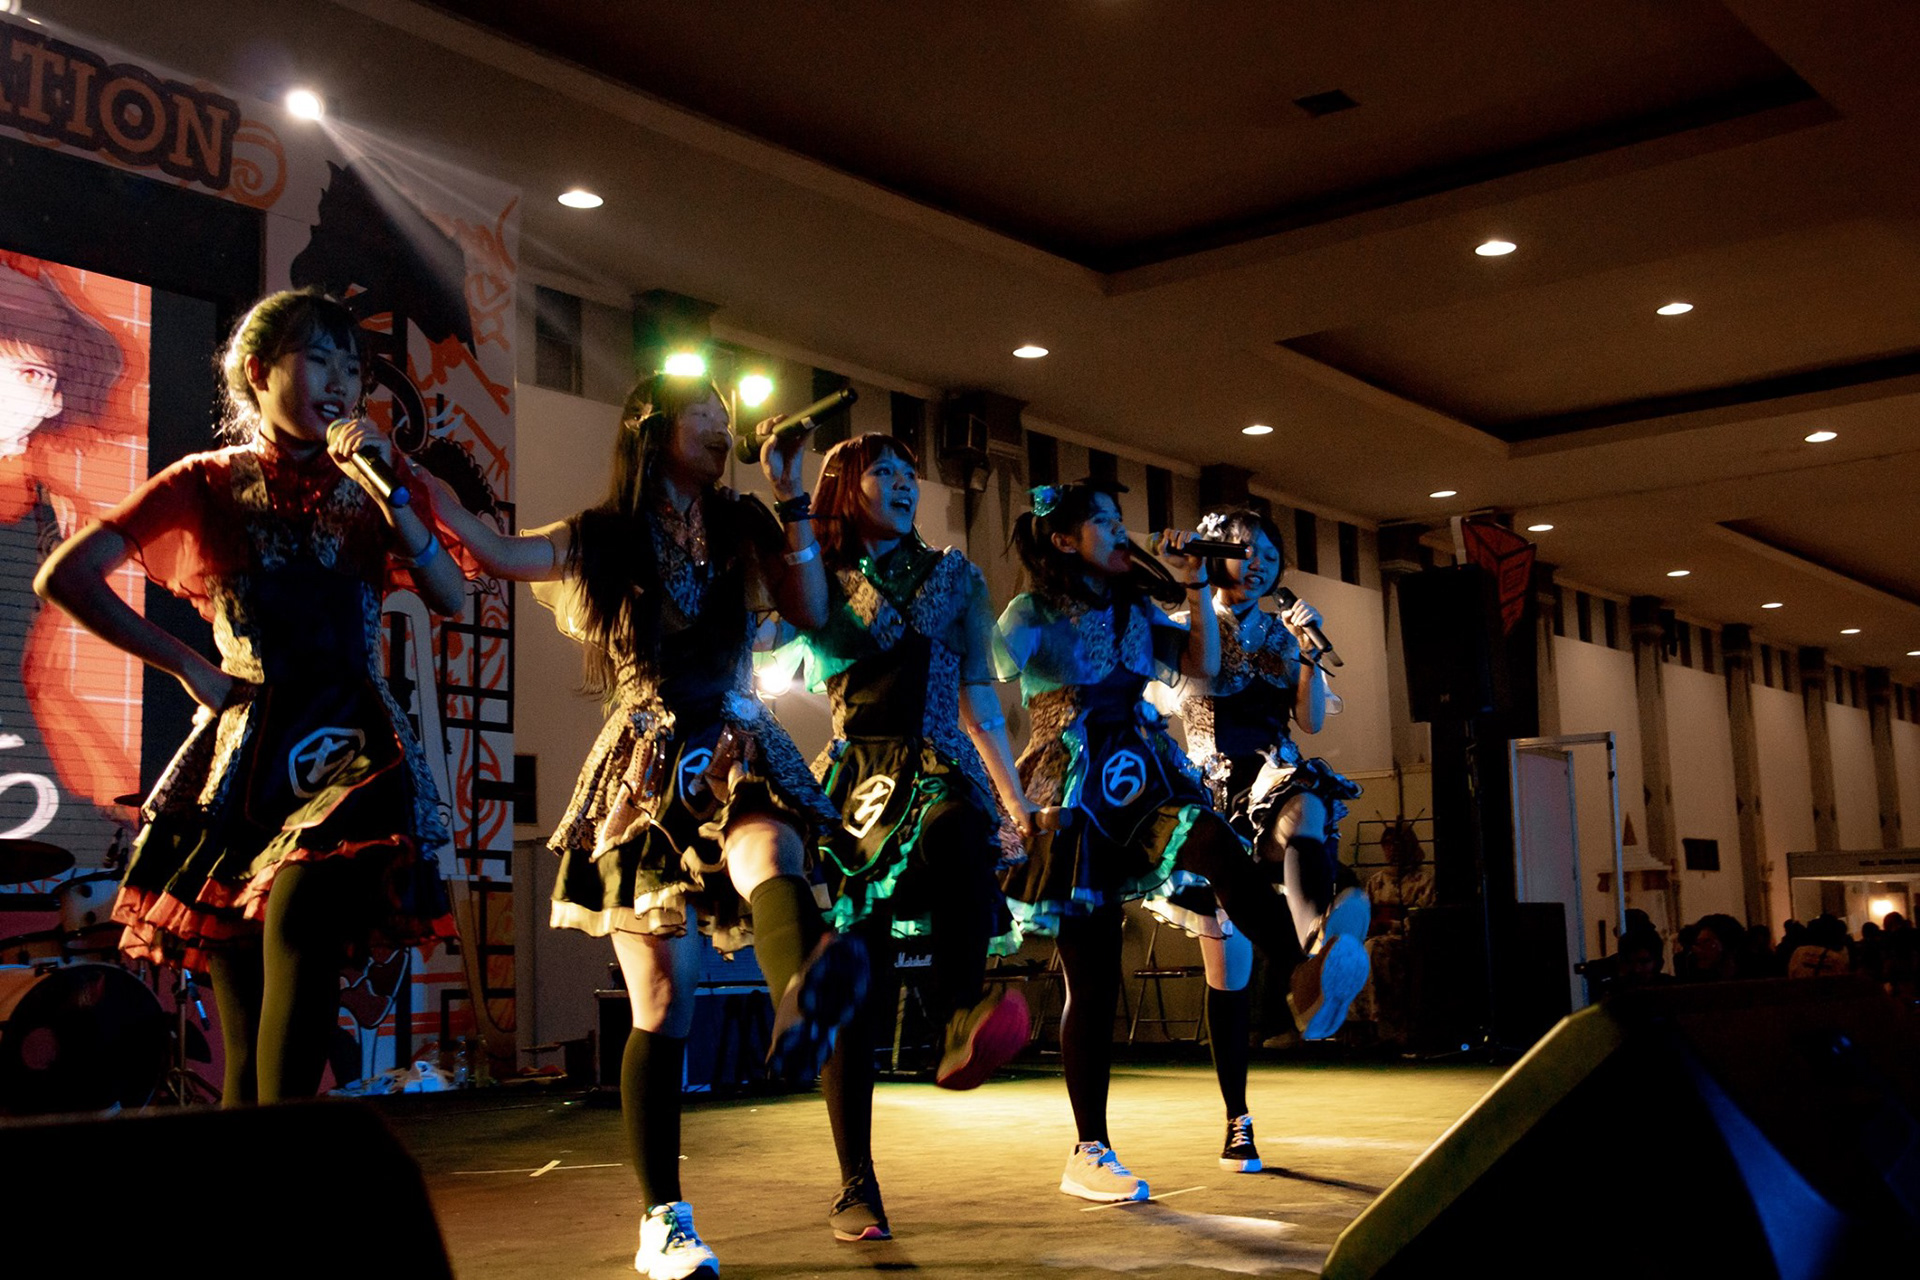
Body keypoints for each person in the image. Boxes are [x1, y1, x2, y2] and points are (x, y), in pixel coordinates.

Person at [422, 369, 864, 1280]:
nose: (722, 424)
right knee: (662, 1002)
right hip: (646, 761)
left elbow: (812, 611)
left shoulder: (746, 519)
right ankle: (663, 1219)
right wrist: (410, 485)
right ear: (650, 427)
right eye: (704, 411)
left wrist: (791, 492)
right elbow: (497, 552)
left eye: (726, 414)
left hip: (738, 737)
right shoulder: (605, 534)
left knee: (770, 843)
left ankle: (801, 1000)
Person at [34, 287, 466, 1104]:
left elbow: (450, 593)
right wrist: (187, 667)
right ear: (260, 372)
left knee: (304, 917)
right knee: (245, 1025)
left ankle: (280, 1159)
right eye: (318, 359)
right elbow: (67, 575)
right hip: (248, 755)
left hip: (352, 750)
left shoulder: (378, 480)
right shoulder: (205, 481)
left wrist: (391, 491)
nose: (340, 382)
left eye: (352, 367)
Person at [996, 479, 1309, 1202]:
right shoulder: (1029, 613)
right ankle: (1090, 1151)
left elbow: (1205, 667)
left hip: (1145, 769)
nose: (1121, 530)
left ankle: (1305, 974)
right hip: (1073, 784)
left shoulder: (1137, 604)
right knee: (1094, 975)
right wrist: (1007, 797)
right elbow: (982, 680)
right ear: (1063, 539)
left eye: (1118, 519)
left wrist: (1194, 584)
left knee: (1217, 847)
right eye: (1104, 521)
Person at [767, 432, 1036, 1241]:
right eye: (881, 471)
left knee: (959, 829)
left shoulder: (956, 575)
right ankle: (856, 1181)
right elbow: (780, 637)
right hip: (856, 782)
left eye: (908, 472)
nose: (903, 483)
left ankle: (957, 1014)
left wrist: (1014, 801)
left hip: (937, 759)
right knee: (859, 977)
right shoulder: (817, 573)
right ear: (843, 487)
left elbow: (980, 703)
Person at [1147, 505, 1365, 1166]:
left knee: (1307, 808)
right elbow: (1195, 679)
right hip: (1209, 796)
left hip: (1271, 777)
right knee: (1229, 973)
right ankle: (1237, 1119)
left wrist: (1308, 658)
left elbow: (1312, 722)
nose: (1260, 564)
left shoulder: (1282, 632)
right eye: (1247, 551)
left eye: (1270, 555)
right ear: (1217, 556)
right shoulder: (1183, 626)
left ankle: (1316, 946)